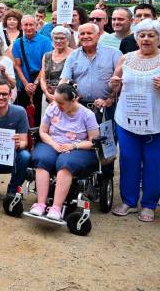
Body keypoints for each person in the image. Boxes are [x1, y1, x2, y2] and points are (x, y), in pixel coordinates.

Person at [110, 20, 160, 222]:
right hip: (128, 120)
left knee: (155, 164)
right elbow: (115, 85)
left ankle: (149, 204)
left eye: (151, 35)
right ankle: (128, 201)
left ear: (159, 38)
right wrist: (113, 84)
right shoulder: (125, 59)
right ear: (136, 38)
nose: (146, 39)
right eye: (142, 35)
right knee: (128, 161)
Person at [29, 82, 100, 221]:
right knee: (42, 159)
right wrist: (53, 144)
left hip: (78, 147)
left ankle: (56, 207)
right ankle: (41, 203)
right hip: (52, 142)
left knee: (66, 163)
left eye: (61, 103)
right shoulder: (52, 109)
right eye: (56, 101)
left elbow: (93, 141)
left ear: (73, 100)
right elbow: (43, 132)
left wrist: (74, 146)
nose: (57, 105)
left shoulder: (87, 115)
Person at [60, 23, 121, 122]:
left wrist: (110, 99)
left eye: (89, 33)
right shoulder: (73, 56)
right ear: (78, 36)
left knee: (106, 136)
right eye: (82, 34)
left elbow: (121, 81)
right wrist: (61, 96)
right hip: (80, 107)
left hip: (107, 107)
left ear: (98, 35)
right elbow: (65, 79)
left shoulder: (114, 53)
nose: (85, 36)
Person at [13, 15, 53, 126]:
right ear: (21, 26)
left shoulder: (45, 41)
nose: (29, 27)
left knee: (39, 115)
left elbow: (45, 64)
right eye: (26, 25)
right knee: (22, 114)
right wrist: (26, 84)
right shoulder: (17, 43)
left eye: (31, 25)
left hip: (41, 84)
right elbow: (17, 65)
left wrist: (35, 84)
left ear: (36, 26)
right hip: (23, 85)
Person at [38, 26, 74, 116]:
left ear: (68, 39)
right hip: (48, 96)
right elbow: (42, 78)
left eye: (62, 38)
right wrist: (46, 93)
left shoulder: (74, 54)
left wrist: (58, 96)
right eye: (56, 38)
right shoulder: (47, 55)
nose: (58, 41)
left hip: (66, 97)